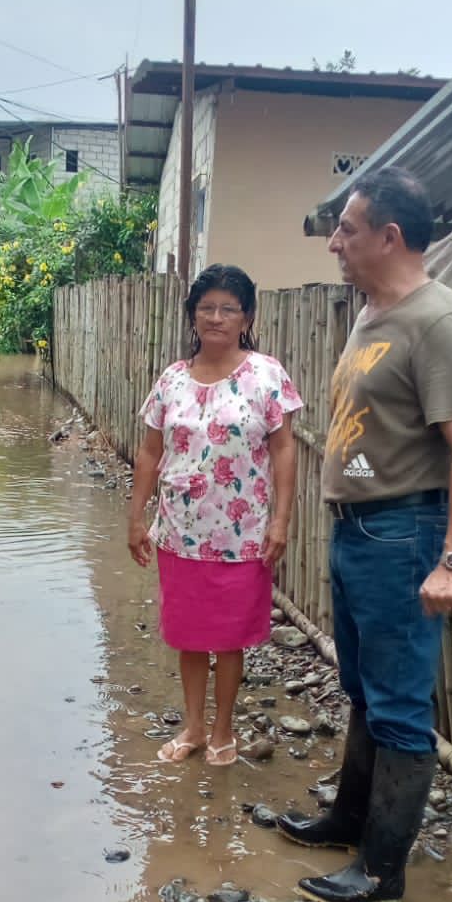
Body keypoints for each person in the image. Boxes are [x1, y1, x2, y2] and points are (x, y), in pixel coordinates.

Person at [278, 168, 452, 902]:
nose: (334, 243)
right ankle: (349, 821)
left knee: (399, 703)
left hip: (405, 532)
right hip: (358, 531)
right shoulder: (372, 314)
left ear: (390, 237)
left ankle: (381, 870)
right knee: (364, 689)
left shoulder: (440, 322)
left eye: (347, 229)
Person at [128, 264, 302, 766]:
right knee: (188, 635)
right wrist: (137, 518)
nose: (216, 317)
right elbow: (150, 451)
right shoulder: (172, 380)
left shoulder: (266, 376)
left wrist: (280, 521)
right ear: (192, 315)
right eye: (206, 307)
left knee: (228, 638)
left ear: (247, 317)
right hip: (179, 532)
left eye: (228, 308)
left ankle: (224, 730)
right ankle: (194, 727)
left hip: (242, 535)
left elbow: (284, 450)